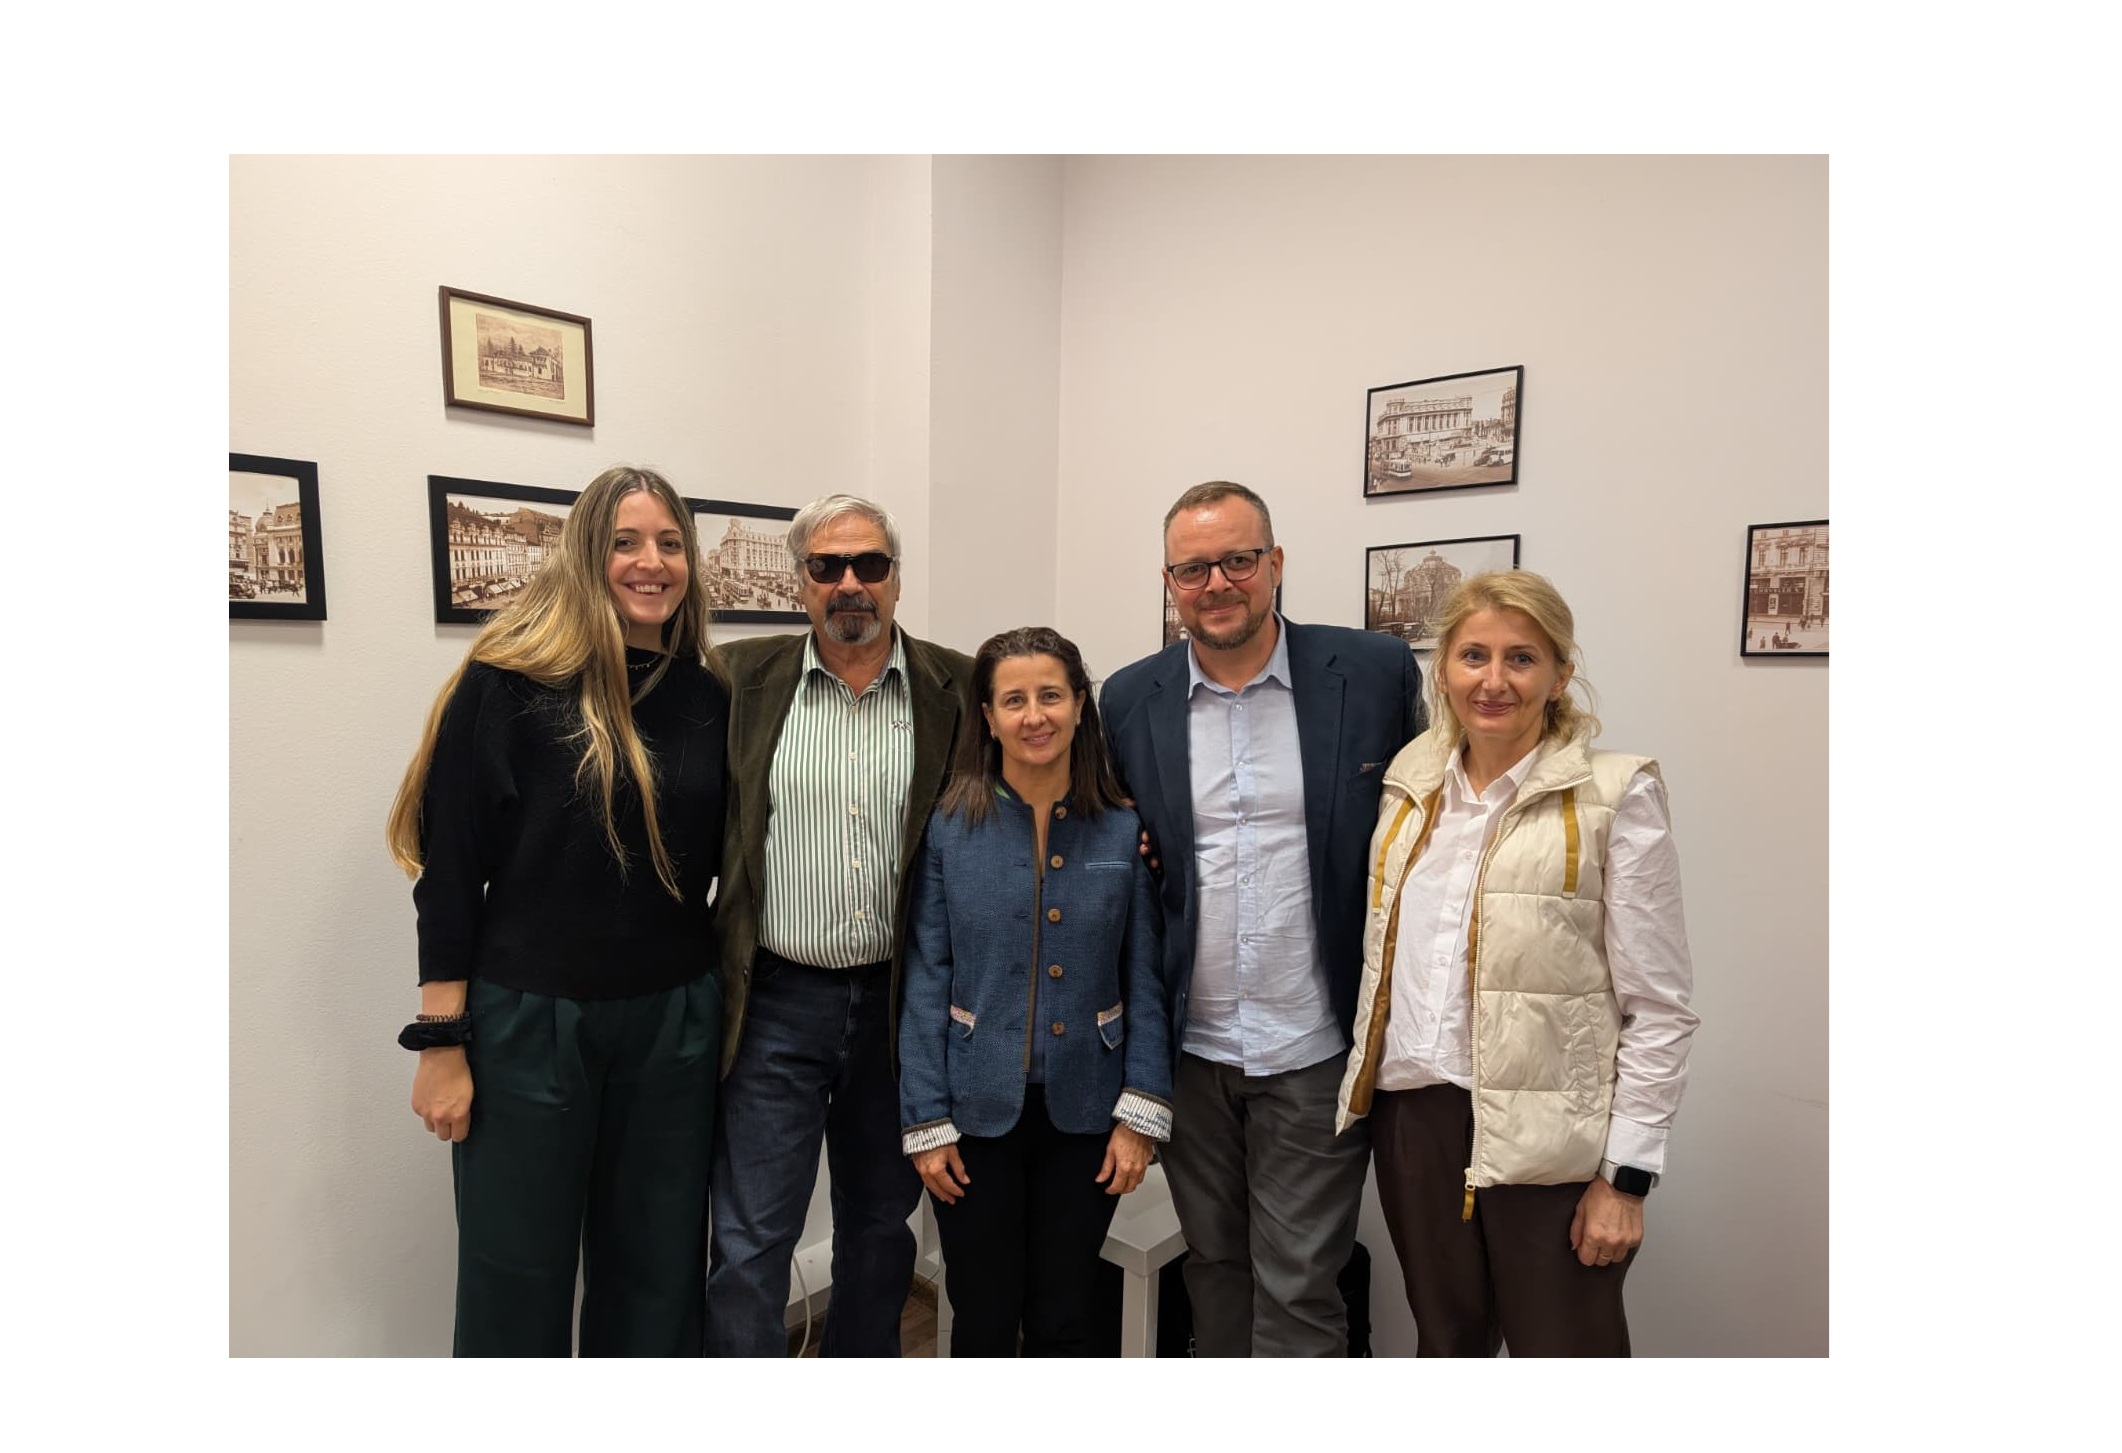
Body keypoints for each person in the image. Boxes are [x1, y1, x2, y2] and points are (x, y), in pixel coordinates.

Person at [384, 465, 728, 1356]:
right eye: (625, 541)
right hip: (530, 1023)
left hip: (675, 1024)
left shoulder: (709, 697)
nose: (651, 562)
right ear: (584, 554)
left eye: (670, 543)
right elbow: (451, 872)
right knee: (515, 1279)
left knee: (657, 1277)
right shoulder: (508, 684)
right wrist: (441, 1041)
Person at [1335, 570, 1700, 1356]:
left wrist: (1626, 1176)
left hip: (1552, 1137)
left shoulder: (1615, 795)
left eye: (1522, 658)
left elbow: (1660, 1005)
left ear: (1560, 674)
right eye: (1474, 655)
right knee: (1448, 1344)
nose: (1493, 680)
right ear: (1443, 670)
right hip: (1417, 1121)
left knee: (1567, 1351)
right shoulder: (1408, 784)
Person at [1101, 480, 1425, 1357]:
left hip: (1315, 1044)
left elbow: (1425, 830)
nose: (1217, 583)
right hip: (1190, 1050)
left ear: (1275, 563)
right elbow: (1119, 844)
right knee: (1213, 1267)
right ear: (1170, 582)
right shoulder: (1127, 699)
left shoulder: (1373, 673)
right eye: (1193, 568)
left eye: (1238, 560)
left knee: (1300, 1285)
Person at [707, 494, 975, 1357]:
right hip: (776, 1003)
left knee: (882, 1227)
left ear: (897, 578)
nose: (850, 582)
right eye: (827, 566)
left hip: (902, 1004)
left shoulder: (958, 686)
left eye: (870, 564)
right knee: (750, 1239)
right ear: (800, 582)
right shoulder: (737, 679)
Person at [898, 627, 1171, 1356]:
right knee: (983, 1316)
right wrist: (926, 1120)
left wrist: (1142, 1111)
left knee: (1066, 1316)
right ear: (987, 716)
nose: (1034, 715)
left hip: (1090, 1115)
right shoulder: (951, 826)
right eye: (1013, 700)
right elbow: (926, 973)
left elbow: (1145, 976)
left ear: (1080, 704)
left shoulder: (1122, 827)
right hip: (972, 1115)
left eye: (1050, 695)